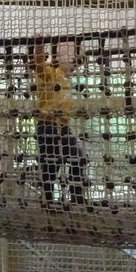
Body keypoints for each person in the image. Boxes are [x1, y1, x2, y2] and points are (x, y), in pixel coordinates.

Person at [30, 34, 87, 208]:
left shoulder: (65, 76)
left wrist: (80, 51)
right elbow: (38, 63)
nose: (76, 62)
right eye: (72, 57)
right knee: (50, 165)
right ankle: (47, 198)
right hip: (46, 125)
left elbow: (81, 59)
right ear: (55, 57)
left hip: (62, 126)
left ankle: (76, 196)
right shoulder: (49, 72)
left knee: (78, 159)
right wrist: (39, 46)